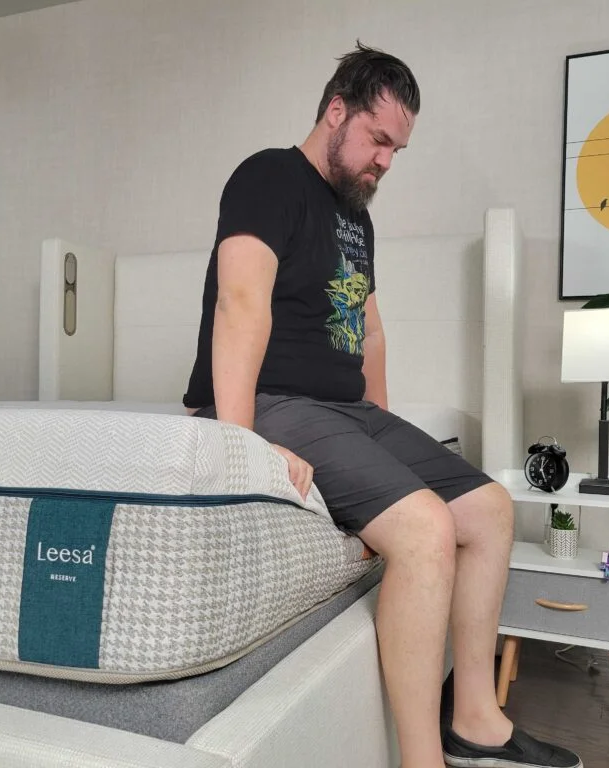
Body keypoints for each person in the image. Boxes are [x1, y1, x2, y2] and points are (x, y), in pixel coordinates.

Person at [183, 41, 582, 768]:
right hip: (274, 400)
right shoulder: (267, 177)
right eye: (378, 139)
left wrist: (383, 440)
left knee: (490, 510)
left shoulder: (356, 218)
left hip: (345, 413)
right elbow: (239, 303)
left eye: (397, 149)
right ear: (336, 111)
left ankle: (476, 719)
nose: (386, 161)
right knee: (427, 528)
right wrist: (240, 450)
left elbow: (368, 331)